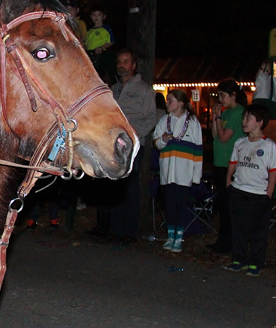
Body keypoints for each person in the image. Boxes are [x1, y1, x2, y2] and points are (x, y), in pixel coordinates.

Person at [87, 48, 158, 243]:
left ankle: (129, 232)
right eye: (119, 61)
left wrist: (134, 136)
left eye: (126, 61)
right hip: (111, 146)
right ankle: (115, 230)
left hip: (133, 146)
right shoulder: (113, 91)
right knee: (114, 187)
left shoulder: (144, 90)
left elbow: (151, 118)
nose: (121, 65)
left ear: (133, 65)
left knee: (130, 187)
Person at [222, 104, 276, 277]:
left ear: (260, 122)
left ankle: (256, 262)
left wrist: (269, 192)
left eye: (249, 118)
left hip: (259, 194)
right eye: (244, 117)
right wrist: (228, 182)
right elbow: (233, 163)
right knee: (238, 228)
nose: (244, 121)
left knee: (257, 231)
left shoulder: (269, 146)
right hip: (239, 190)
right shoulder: (240, 143)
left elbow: (274, 171)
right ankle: (238, 260)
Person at [153, 89, 202, 253]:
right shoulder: (163, 121)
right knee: (169, 203)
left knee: (181, 204)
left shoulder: (193, 122)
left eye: (170, 100)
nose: (167, 103)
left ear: (180, 103)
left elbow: (198, 149)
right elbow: (156, 144)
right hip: (168, 172)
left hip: (184, 172)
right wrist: (163, 140)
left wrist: (196, 175)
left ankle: (179, 237)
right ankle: (170, 235)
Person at [208, 78, 247, 254]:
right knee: (223, 204)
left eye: (223, 96)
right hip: (220, 162)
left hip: (230, 164)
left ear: (233, 95)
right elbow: (215, 135)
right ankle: (223, 241)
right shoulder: (227, 112)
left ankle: (230, 242)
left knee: (229, 205)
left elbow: (225, 138)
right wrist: (215, 117)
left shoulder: (238, 112)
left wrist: (217, 117)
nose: (220, 99)